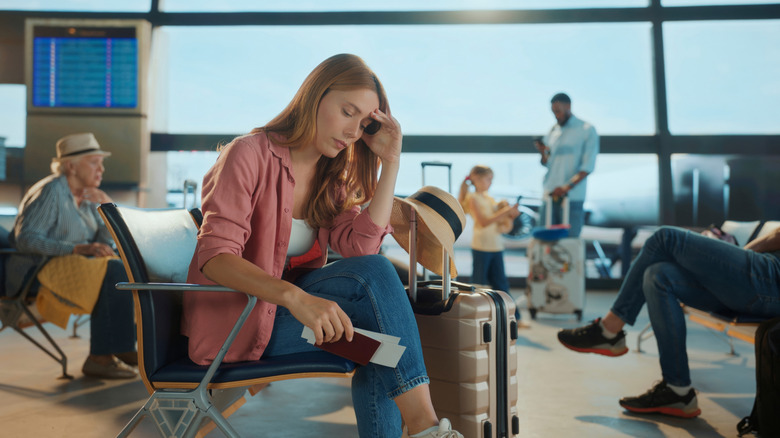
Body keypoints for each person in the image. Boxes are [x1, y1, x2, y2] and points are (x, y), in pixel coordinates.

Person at [182, 53, 463, 438]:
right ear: (315, 95)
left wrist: (391, 162)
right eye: (347, 111)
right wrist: (296, 299)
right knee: (381, 337)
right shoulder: (247, 154)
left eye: (363, 123)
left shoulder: (332, 179)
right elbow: (216, 257)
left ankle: (423, 428)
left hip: (289, 319)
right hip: (240, 323)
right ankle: (426, 428)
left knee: (383, 348)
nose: (353, 131)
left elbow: (362, 251)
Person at [557, 225, 780, 418]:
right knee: (658, 275)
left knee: (665, 237)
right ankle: (678, 391)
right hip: (763, 283)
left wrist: (741, 255)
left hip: (770, 280)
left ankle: (608, 330)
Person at [8, 132, 137, 379]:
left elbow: (101, 244)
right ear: (71, 166)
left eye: (102, 162)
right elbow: (26, 239)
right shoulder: (52, 191)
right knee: (114, 271)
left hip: (73, 266)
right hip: (36, 270)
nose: (101, 169)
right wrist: (77, 249)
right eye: (93, 162)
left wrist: (105, 209)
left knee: (123, 265)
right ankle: (101, 357)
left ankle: (123, 345)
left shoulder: (88, 195)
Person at [457, 165, 523, 321]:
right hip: (482, 246)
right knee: (479, 284)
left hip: (496, 246)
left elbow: (497, 220)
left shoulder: (489, 197)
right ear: (477, 179)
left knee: (501, 283)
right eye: (488, 179)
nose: (490, 183)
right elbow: (484, 222)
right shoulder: (473, 198)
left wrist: (510, 214)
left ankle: (513, 318)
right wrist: (505, 212)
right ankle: (475, 316)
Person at [534, 92, 599, 237]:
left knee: (569, 243)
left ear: (568, 106)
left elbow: (588, 166)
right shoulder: (552, 131)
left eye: (558, 111)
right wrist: (543, 152)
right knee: (545, 243)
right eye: (553, 112)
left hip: (572, 197)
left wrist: (566, 187)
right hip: (550, 194)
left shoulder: (586, 130)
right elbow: (547, 163)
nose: (556, 115)